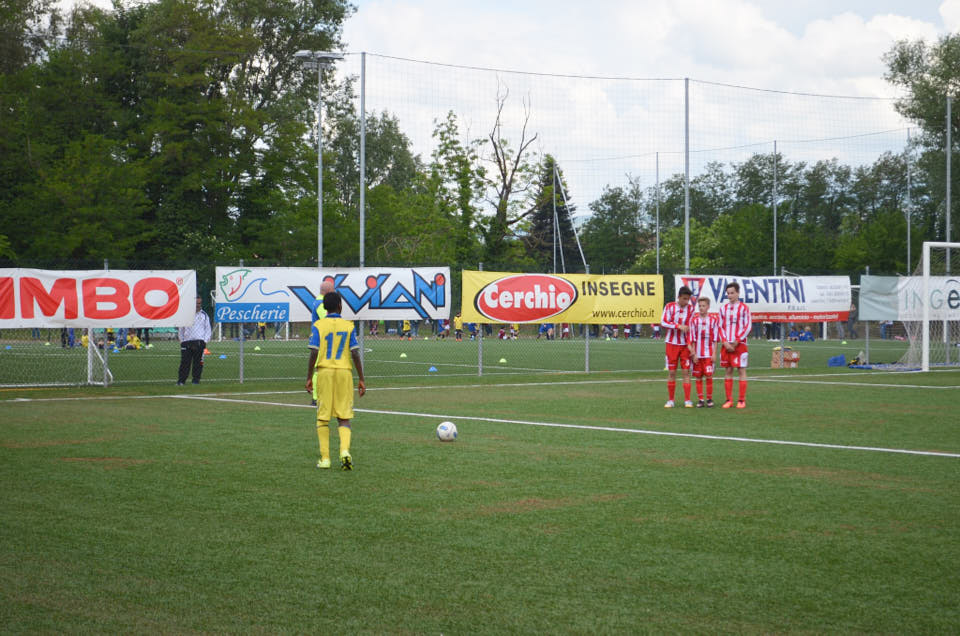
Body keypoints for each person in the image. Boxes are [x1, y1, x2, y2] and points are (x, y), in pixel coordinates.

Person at [306, 292, 366, 471]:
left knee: (323, 417)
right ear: (340, 306)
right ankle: (345, 451)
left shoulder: (318, 325)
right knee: (344, 416)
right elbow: (355, 353)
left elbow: (314, 351)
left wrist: (309, 376)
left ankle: (325, 459)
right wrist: (361, 378)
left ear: (324, 308)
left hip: (324, 372)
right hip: (344, 373)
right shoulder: (348, 326)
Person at [660, 286, 695, 408]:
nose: (686, 302)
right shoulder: (669, 306)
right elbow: (663, 322)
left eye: (688, 299)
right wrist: (678, 326)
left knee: (686, 372)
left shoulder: (691, 309)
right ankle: (671, 400)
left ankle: (687, 400)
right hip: (671, 344)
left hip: (685, 345)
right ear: (678, 297)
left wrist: (690, 344)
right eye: (684, 299)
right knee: (672, 372)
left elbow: (691, 328)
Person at [718, 281, 752, 409]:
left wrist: (737, 340)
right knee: (728, 370)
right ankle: (729, 400)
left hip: (740, 344)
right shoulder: (723, 309)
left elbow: (748, 326)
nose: (730, 295)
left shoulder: (744, 308)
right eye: (728, 293)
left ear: (738, 293)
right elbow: (719, 327)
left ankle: (741, 400)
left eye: (732, 293)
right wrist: (725, 342)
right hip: (726, 345)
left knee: (741, 370)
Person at [688, 296, 721, 407]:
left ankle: (709, 399)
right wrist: (694, 354)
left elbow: (715, 339)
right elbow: (692, 339)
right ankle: (701, 399)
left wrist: (714, 353)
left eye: (703, 306)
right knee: (698, 377)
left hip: (708, 354)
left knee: (709, 376)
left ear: (708, 307)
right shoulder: (694, 321)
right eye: (700, 306)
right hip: (697, 354)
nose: (701, 308)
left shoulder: (713, 320)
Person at [310, 279, 336, 406]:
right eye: (333, 290)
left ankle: (320, 396)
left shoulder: (318, 301)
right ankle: (316, 397)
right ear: (328, 291)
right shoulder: (321, 303)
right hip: (321, 339)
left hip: (320, 338)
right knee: (320, 369)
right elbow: (326, 319)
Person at [177, 295, 212, 386]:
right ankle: (181, 381)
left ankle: (196, 381)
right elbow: (181, 329)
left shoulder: (204, 315)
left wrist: (204, 341)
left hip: (199, 342)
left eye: (199, 303)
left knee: (198, 363)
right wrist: (182, 341)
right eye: (196, 303)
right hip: (187, 342)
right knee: (185, 363)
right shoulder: (186, 315)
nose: (198, 305)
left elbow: (208, 330)